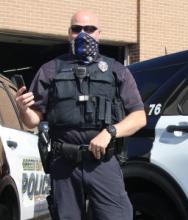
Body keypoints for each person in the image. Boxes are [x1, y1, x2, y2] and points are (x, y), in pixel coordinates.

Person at [15, 10, 147, 220]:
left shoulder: (117, 70)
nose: (83, 34)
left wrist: (110, 132)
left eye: (89, 29)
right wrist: (24, 109)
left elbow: (139, 117)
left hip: (103, 162)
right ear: (69, 33)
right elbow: (34, 119)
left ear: (99, 33)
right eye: (77, 29)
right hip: (64, 163)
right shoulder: (50, 70)